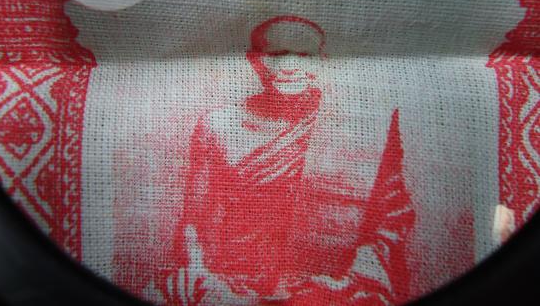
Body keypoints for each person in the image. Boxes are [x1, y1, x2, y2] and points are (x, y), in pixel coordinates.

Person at [167, 16, 415, 305]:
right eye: (275, 55)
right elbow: (194, 220)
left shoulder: (360, 130)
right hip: (235, 282)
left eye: (304, 56)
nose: (289, 67)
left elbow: (392, 218)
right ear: (254, 61)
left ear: (322, 61)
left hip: (331, 283)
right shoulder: (219, 126)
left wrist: (355, 278)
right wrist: (198, 271)